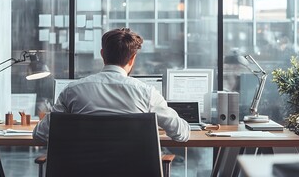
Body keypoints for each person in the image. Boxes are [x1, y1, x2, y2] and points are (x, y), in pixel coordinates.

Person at [33, 27, 190, 142]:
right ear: (133, 58)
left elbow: (40, 134)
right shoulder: (147, 93)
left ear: (102, 54)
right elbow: (180, 134)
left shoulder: (72, 91)